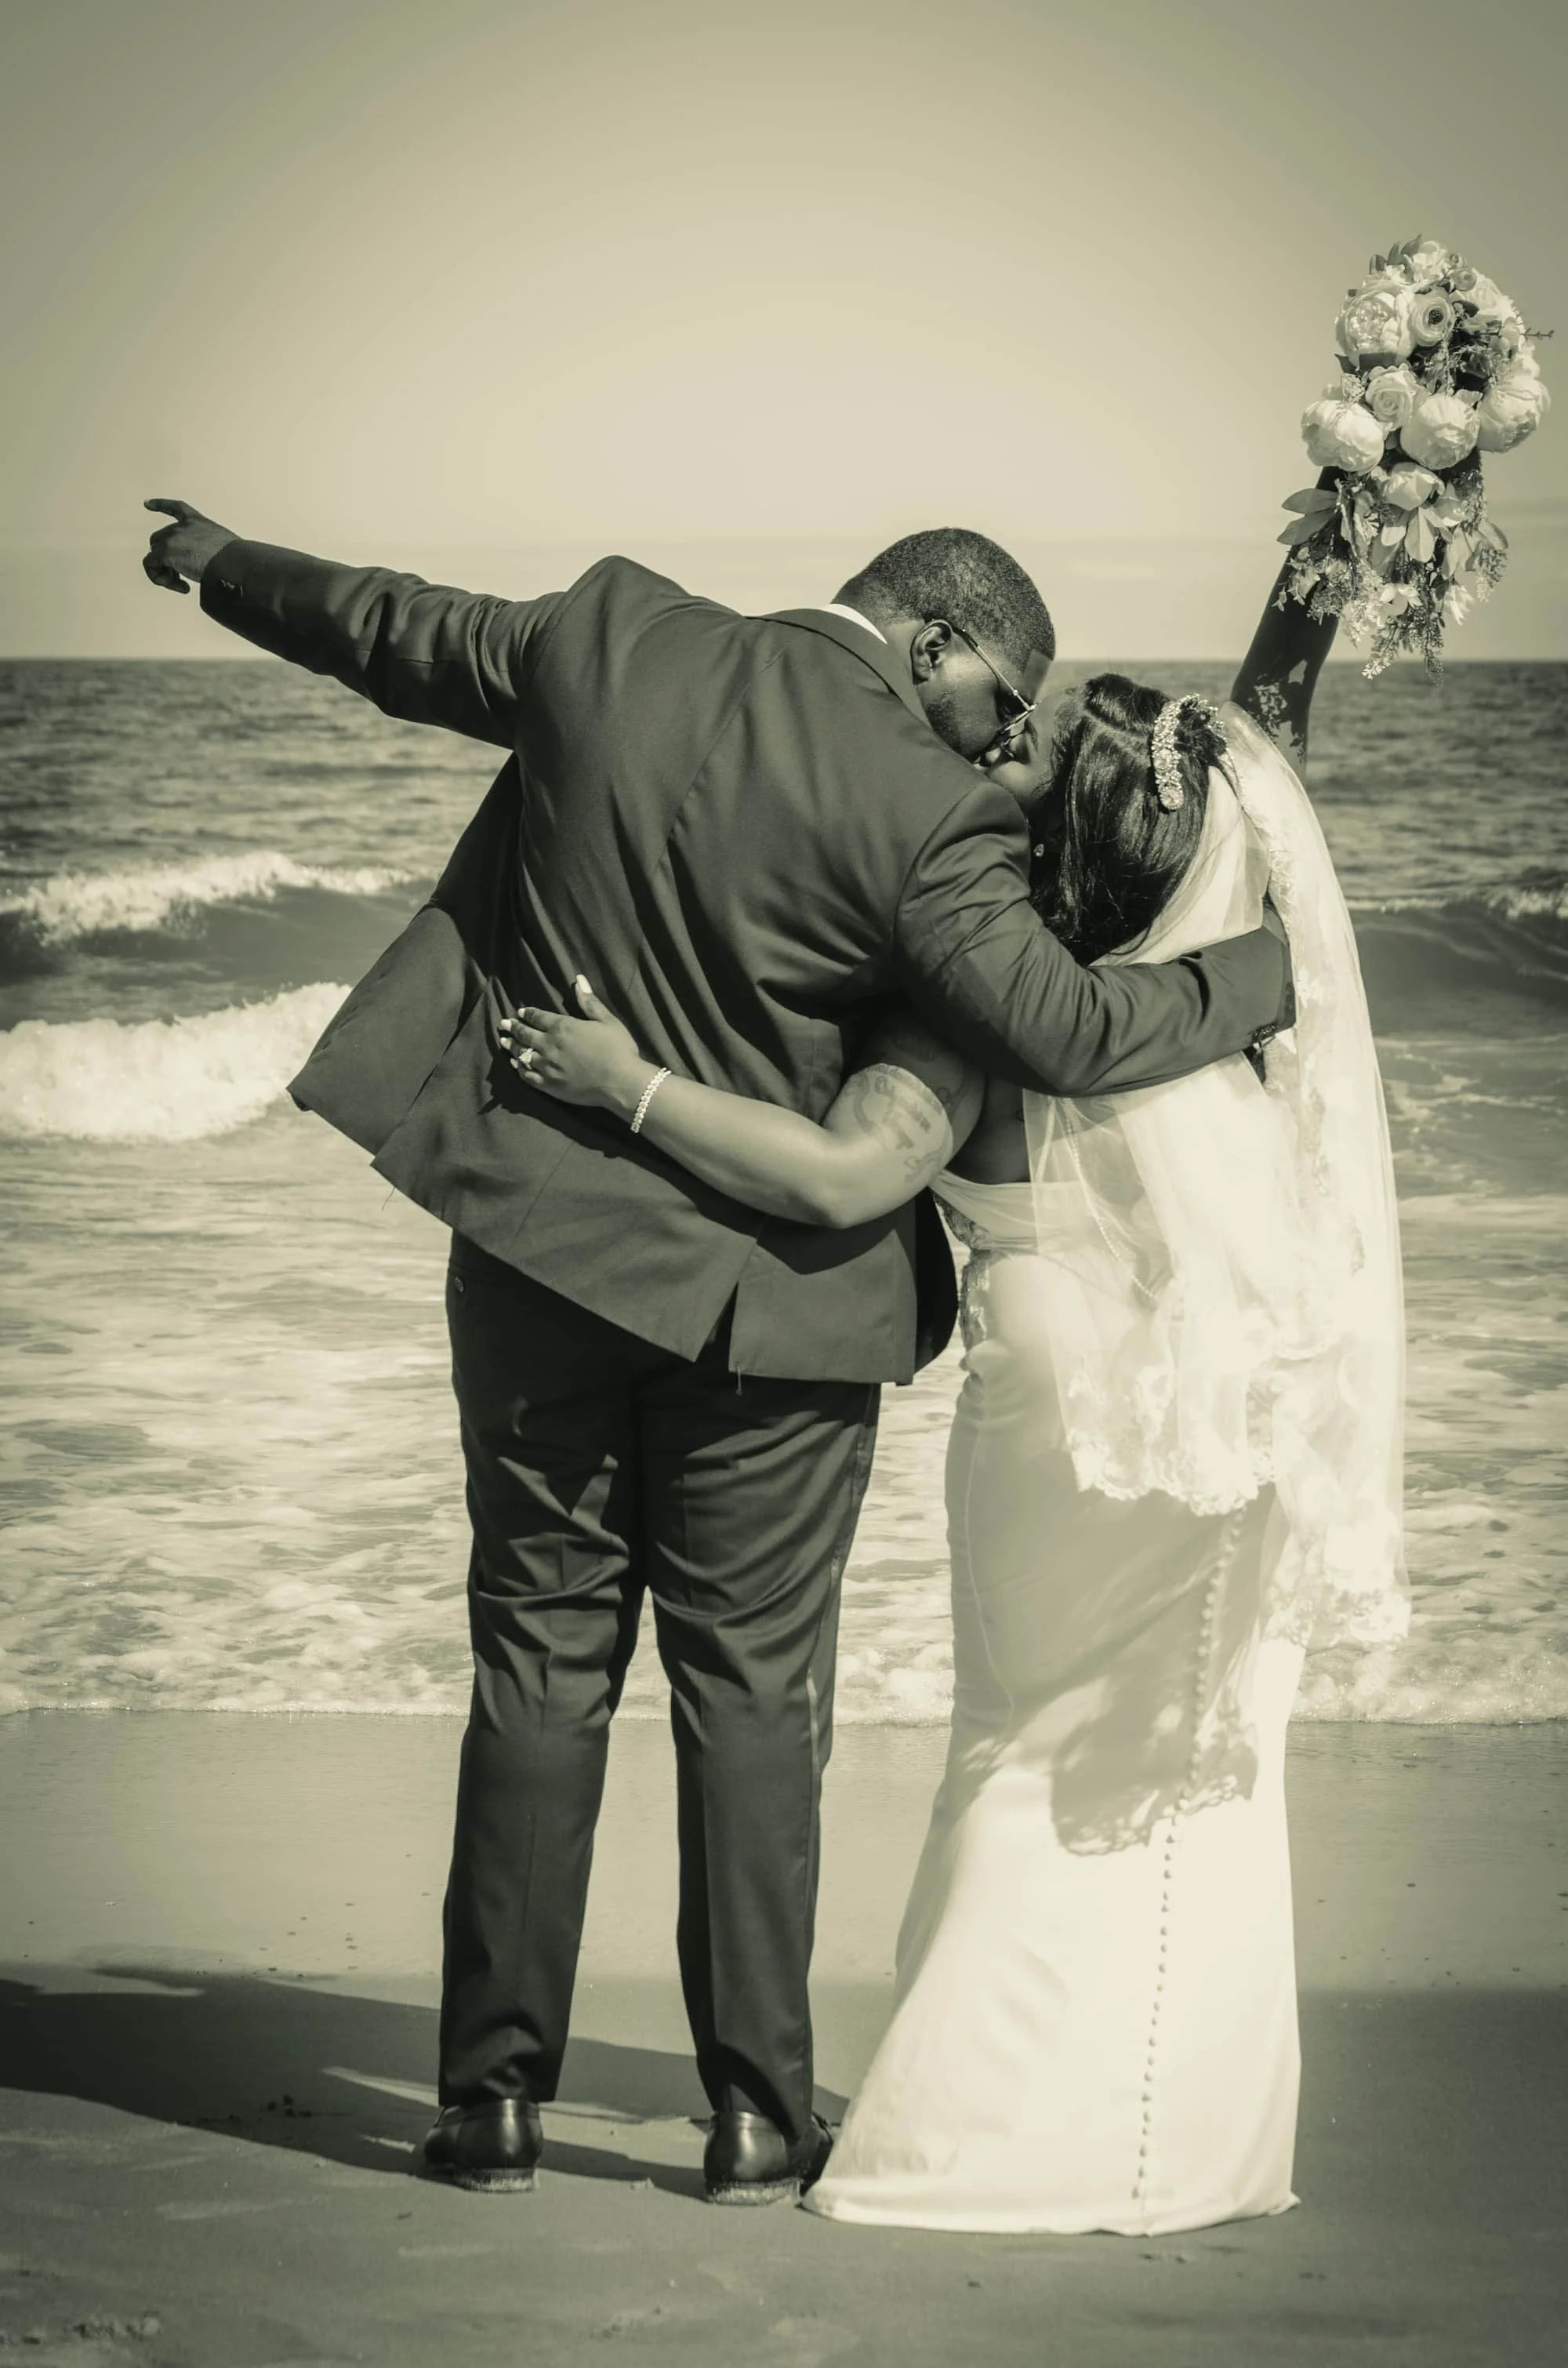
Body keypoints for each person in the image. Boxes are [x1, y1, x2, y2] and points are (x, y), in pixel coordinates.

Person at [142, 499, 1291, 2206]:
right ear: (933, 642)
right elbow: (1067, 1027)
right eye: (999, 702)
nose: (1003, 744)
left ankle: (488, 2105)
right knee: (755, 1702)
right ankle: (757, 2112)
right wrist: (1267, 974)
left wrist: (224, 563)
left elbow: (386, 627)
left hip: (536, 1261)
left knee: (534, 1669)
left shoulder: (607, 636)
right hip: (774, 1313)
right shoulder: (932, 810)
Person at [499, 563, 1407, 2232]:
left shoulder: (983, 1018)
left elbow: (846, 1175)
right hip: (1237, 1437)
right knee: (1200, 1752)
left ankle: (970, 2124)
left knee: (1018, 1747)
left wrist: (631, 1084)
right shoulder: (1245, 1009)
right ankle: (1190, 2137)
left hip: (1055, 1439)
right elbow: (1267, 744)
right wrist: (1333, 555)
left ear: (1044, 836)